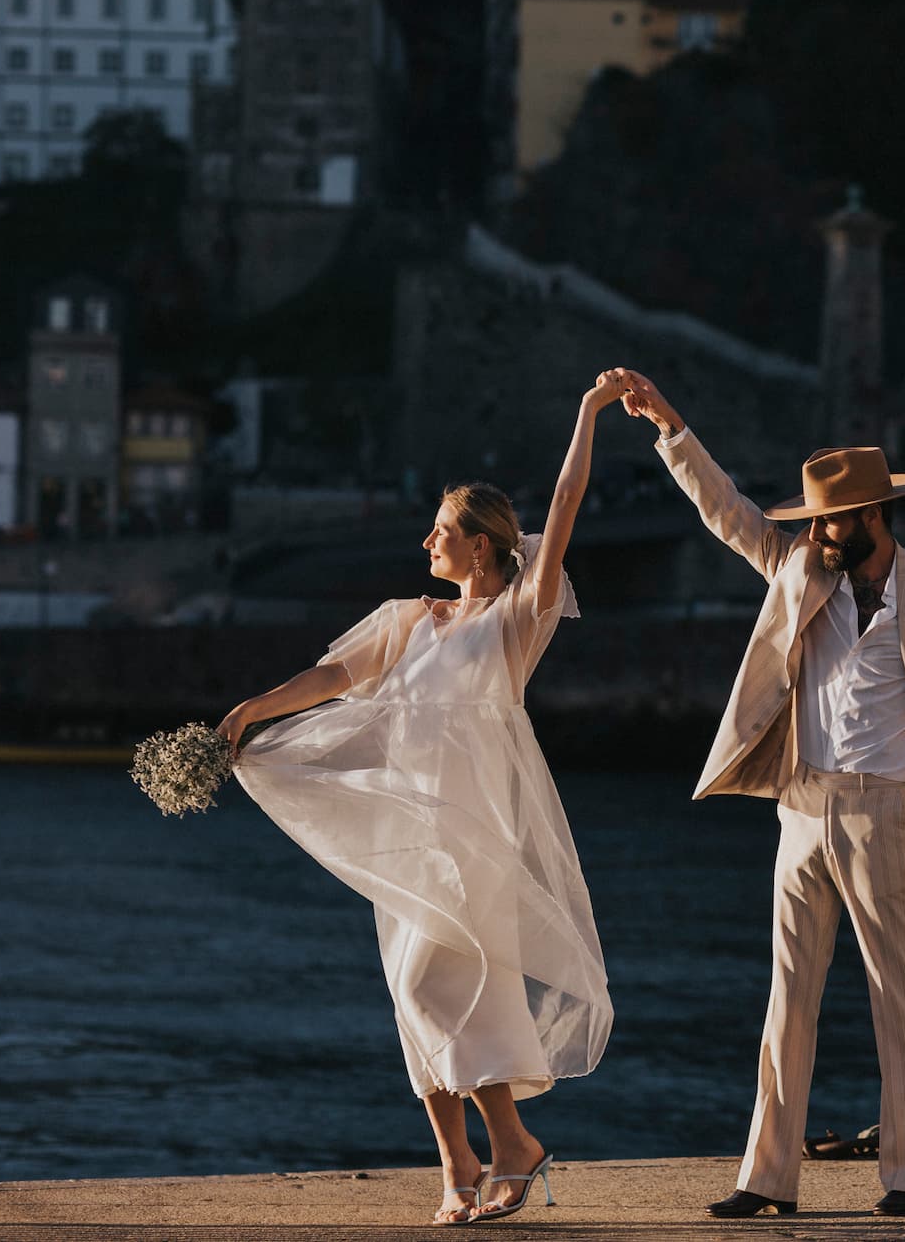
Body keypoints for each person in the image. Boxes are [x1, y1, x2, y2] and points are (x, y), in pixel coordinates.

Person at [218, 370, 633, 1225]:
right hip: (407, 831)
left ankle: (512, 1144)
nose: (425, 542)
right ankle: (457, 1167)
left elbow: (565, 501)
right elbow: (334, 675)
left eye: (440, 531)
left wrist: (589, 412)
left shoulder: (517, 618)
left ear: (480, 545)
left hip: (477, 835)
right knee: (413, 996)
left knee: (433, 985)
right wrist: (257, 706)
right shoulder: (409, 619)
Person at [613, 370, 905, 1220]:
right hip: (799, 807)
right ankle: (767, 1179)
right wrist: (669, 427)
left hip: (883, 809)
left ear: (874, 514)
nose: (819, 531)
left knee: (897, 993)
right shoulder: (800, 569)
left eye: (832, 518)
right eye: (813, 520)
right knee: (786, 996)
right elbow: (729, 513)